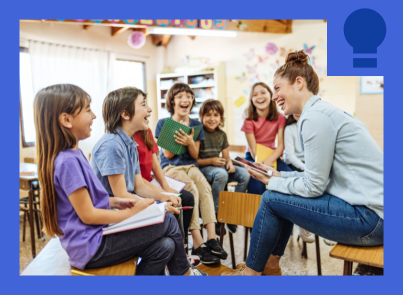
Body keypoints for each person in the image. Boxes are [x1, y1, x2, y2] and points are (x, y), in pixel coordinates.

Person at [223, 50, 383, 276]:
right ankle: (269, 267)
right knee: (278, 195)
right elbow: (317, 176)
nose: (274, 95)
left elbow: (313, 186)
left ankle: (251, 273)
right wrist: (277, 176)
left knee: (270, 198)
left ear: (298, 83)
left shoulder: (314, 117)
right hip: (374, 213)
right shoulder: (323, 112)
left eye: (277, 88)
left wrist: (273, 183)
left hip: (371, 219)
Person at [34, 84, 205, 275]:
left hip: (96, 236)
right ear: (66, 119)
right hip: (91, 246)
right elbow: (88, 215)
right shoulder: (70, 160)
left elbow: (86, 202)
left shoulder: (75, 154)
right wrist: (135, 212)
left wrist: (117, 201)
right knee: (167, 221)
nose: (94, 116)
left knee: (165, 246)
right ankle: (186, 276)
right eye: (88, 110)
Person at [155, 83, 227, 265]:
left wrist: (189, 142)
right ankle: (197, 241)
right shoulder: (163, 123)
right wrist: (179, 135)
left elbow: (195, 155)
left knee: (204, 186)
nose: (185, 99)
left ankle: (212, 237)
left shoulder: (196, 124)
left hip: (191, 166)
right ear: (172, 101)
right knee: (192, 189)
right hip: (171, 168)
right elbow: (168, 155)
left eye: (188, 96)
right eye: (180, 96)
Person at [90, 87, 180, 213]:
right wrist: (158, 206)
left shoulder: (130, 143)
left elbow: (139, 186)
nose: (149, 109)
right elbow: (121, 195)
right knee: (167, 218)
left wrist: (164, 197)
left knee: (172, 210)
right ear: (126, 114)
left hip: (126, 205)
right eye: (143, 104)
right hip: (112, 212)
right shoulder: (111, 144)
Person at [197, 99, 250, 235]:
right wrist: (212, 161)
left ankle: (232, 212)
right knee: (222, 175)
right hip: (205, 168)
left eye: (216, 115)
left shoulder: (222, 134)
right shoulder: (198, 132)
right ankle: (215, 215)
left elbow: (226, 156)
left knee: (245, 175)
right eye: (208, 115)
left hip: (219, 166)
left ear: (221, 118)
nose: (212, 118)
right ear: (201, 117)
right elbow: (195, 160)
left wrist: (229, 163)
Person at [134, 128, 195, 236]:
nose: (149, 110)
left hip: (150, 181)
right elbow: (136, 180)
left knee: (188, 198)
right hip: (140, 185)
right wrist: (162, 193)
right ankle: (175, 243)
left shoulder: (146, 131)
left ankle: (181, 242)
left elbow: (155, 165)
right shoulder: (128, 136)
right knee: (172, 203)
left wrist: (166, 187)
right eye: (144, 109)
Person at [241, 82, 292, 196]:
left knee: (288, 176)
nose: (259, 97)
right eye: (255, 94)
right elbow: (253, 150)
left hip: (272, 156)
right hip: (254, 157)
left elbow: (281, 145)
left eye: (263, 92)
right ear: (251, 100)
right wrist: (261, 163)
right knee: (257, 182)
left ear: (271, 95)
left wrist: (270, 160)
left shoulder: (280, 117)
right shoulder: (248, 120)